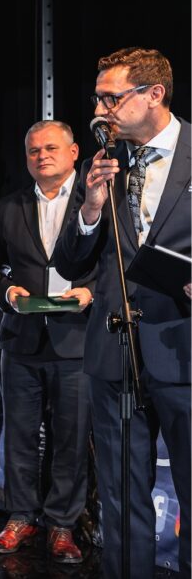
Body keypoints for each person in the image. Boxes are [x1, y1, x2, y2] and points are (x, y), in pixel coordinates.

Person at [52, 47, 190, 577]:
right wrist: (89, 205)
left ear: (154, 94)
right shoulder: (104, 162)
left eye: (112, 98)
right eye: (98, 98)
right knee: (120, 495)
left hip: (183, 348)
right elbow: (70, 261)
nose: (100, 110)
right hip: (115, 353)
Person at [0, 120, 95, 563]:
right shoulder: (8, 206)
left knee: (72, 436)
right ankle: (21, 517)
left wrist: (91, 291)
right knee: (19, 435)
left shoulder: (96, 201)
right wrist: (6, 290)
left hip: (77, 340)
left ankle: (63, 524)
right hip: (21, 339)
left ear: (74, 153)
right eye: (33, 150)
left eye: (51, 148)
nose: (41, 156)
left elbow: (114, 261)